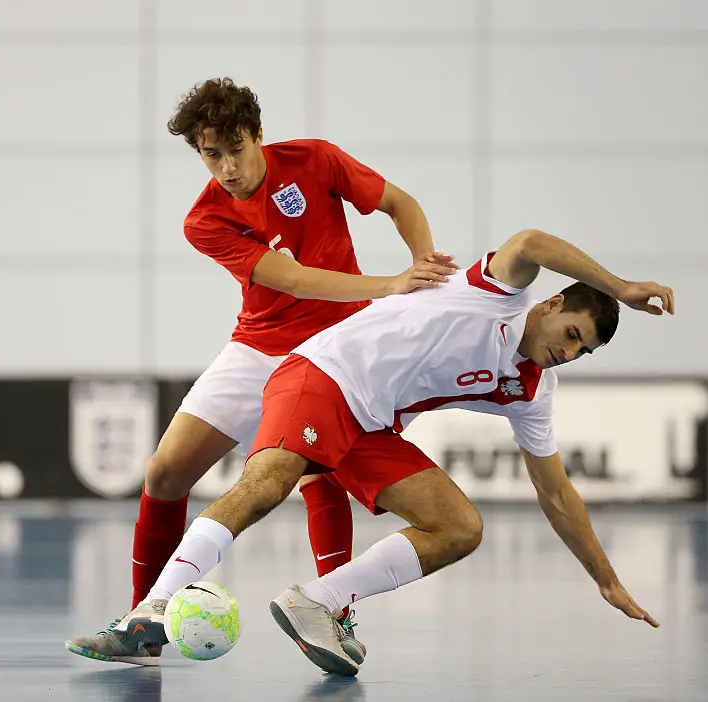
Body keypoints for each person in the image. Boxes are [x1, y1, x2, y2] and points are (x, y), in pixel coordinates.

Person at [84, 228, 673, 675]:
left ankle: (318, 601)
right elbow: (532, 242)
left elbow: (556, 492)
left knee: (460, 527)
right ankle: (152, 609)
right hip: (322, 373)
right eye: (572, 334)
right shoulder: (496, 294)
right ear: (549, 306)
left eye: (583, 352)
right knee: (267, 485)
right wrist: (621, 287)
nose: (569, 353)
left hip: (369, 426)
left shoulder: (531, 390)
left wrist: (606, 579)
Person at [65, 77, 457, 666]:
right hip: (259, 346)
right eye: (210, 154)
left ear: (259, 137)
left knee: (317, 475)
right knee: (166, 471)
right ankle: (144, 621)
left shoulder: (316, 160)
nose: (225, 167)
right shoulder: (204, 221)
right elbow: (292, 279)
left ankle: (334, 614)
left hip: (337, 349)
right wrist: (390, 286)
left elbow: (401, 204)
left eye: (236, 148)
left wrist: (421, 266)